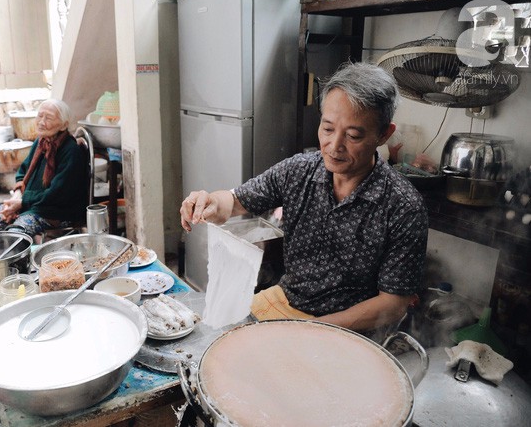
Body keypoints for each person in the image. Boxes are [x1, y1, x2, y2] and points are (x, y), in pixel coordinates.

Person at [180, 62, 428, 339]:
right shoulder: (297, 171)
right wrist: (210, 201)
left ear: (384, 134)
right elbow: (236, 201)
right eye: (327, 128)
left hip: (353, 328)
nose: (334, 146)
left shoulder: (403, 207)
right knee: (217, 344)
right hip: (289, 301)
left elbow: (393, 304)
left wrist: (317, 328)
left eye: (354, 135)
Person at [0, 98, 88, 237]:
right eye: (40, 115)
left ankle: (18, 258)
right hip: (28, 204)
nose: (41, 122)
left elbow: (57, 194)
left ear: (63, 125)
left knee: (16, 235)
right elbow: (23, 172)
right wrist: (17, 196)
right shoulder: (41, 142)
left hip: (55, 212)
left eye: (48, 118)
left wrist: (22, 203)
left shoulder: (71, 151)